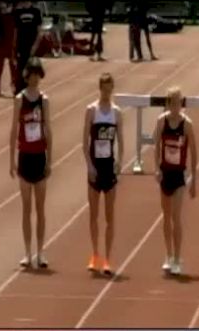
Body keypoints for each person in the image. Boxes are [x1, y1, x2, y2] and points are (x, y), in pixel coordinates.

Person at [9, 57, 52, 269]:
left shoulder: (44, 100)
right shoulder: (19, 99)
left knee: (40, 208)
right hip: (24, 156)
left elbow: (48, 130)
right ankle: (27, 252)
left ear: (40, 76)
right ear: (26, 75)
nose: (34, 78)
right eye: (31, 74)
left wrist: (50, 159)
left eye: (37, 74)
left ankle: (41, 252)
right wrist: (11, 160)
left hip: (39, 156)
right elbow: (13, 130)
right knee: (26, 208)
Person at [83, 73, 124, 275]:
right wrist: (89, 166)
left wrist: (120, 162)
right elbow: (84, 143)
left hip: (109, 167)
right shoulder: (91, 111)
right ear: (100, 87)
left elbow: (122, 141)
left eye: (110, 89)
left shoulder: (116, 112)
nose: (107, 92)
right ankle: (95, 254)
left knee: (109, 216)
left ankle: (107, 258)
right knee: (93, 215)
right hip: (95, 167)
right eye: (104, 88)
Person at [154, 87, 197, 275]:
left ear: (182, 103)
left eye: (178, 102)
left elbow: (194, 152)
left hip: (179, 175)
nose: (175, 106)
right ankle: (168, 255)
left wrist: (193, 178)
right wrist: (156, 169)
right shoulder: (161, 121)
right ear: (168, 103)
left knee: (176, 218)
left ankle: (178, 259)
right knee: (166, 217)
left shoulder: (187, 124)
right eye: (172, 102)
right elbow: (156, 147)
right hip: (165, 173)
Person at [13, 1, 43, 95]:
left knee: (32, 67)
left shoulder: (36, 11)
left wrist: (35, 45)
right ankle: (20, 89)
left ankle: (32, 88)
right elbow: (16, 31)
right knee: (21, 67)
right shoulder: (17, 12)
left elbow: (39, 31)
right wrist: (14, 45)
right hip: (21, 44)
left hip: (32, 44)